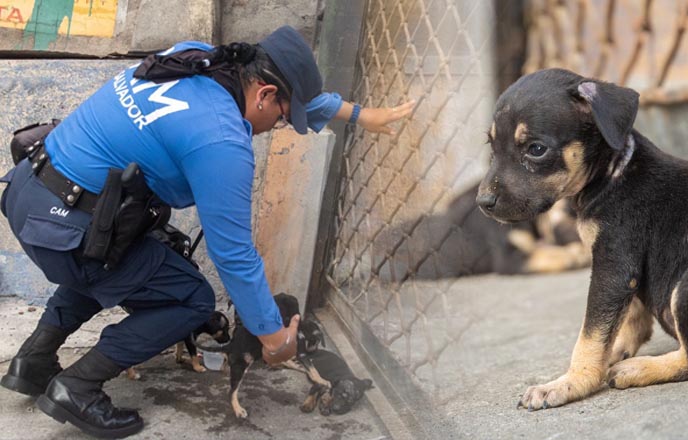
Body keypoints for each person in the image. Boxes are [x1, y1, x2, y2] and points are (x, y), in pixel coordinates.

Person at [0, 25, 413, 438]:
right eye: (283, 118)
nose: (276, 127)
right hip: (68, 230)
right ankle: (79, 385)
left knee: (117, 265)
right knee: (193, 299)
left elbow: (293, 92)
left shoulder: (197, 58)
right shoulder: (222, 140)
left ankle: (33, 361)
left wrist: (359, 114)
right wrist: (272, 337)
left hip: (30, 195)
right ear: (265, 94)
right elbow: (233, 254)